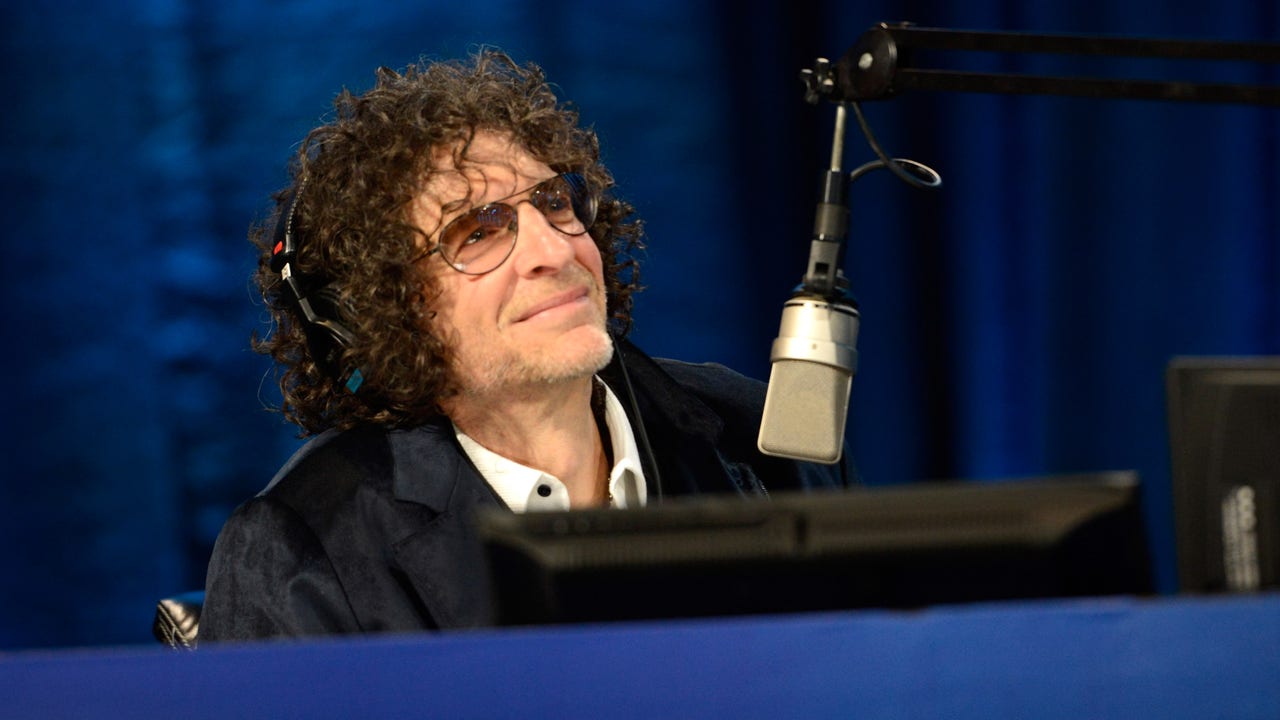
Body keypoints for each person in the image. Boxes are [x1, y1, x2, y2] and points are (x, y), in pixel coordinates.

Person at [200, 49, 855, 642]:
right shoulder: (303, 545)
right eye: (477, 232)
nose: (555, 250)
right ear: (382, 308)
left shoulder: (758, 433)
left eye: (554, 204)